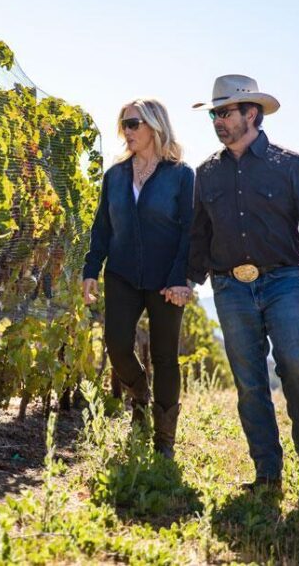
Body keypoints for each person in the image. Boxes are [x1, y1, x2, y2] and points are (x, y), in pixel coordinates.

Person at [188, 74, 299, 489]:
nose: (218, 121)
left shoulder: (289, 165)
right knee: (250, 380)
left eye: (225, 113)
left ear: (250, 113)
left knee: (295, 365)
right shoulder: (206, 174)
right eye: (214, 115)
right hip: (229, 288)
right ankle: (267, 472)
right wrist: (188, 279)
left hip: (284, 283)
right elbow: (199, 235)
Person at [82, 98, 195, 458]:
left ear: (154, 126)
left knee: (165, 357)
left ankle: (164, 440)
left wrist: (181, 278)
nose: (126, 131)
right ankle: (139, 395)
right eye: (124, 125)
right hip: (122, 274)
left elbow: (189, 232)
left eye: (133, 124)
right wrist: (90, 269)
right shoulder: (115, 176)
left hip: (167, 281)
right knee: (116, 344)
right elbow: (102, 228)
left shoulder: (180, 174)